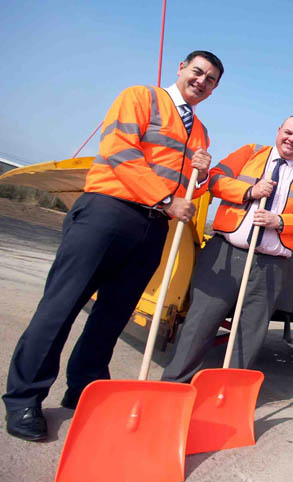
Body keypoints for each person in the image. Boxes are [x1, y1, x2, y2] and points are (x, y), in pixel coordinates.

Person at [3, 50, 224, 442]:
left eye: (210, 80)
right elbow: (120, 151)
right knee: (62, 306)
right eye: (197, 72)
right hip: (108, 213)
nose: (202, 82)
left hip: (153, 227)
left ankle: (85, 387)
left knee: (112, 315)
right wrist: (165, 199)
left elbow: (189, 189)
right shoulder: (141, 97)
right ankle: (24, 398)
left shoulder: (201, 132)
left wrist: (202, 174)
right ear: (181, 69)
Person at [161, 116, 293, 383]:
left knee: (249, 334)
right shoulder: (250, 153)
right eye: (288, 133)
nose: (291, 140)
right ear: (278, 131)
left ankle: (226, 394)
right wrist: (249, 191)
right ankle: (173, 385)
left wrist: (280, 221)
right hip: (226, 254)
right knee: (199, 325)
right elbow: (214, 180)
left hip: (270, 266)